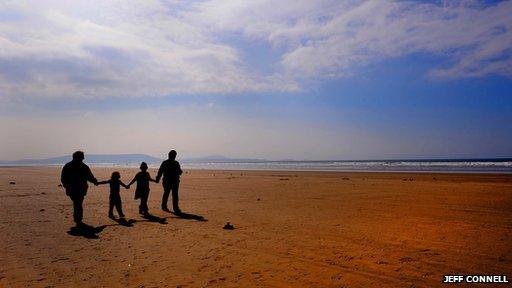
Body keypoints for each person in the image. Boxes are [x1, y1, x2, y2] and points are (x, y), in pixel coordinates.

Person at [60, 151, 98, 226]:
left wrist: (66, 187)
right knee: (78, 203)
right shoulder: (83, 166)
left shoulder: (67, 166)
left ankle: (77, 219)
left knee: (77, 203)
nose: (83, 158)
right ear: (79, 157)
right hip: (79, 189)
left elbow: (63, 178)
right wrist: (94, 181)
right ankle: (78, 219)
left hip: (73, 189)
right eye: (82, 157)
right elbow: (90, 177)